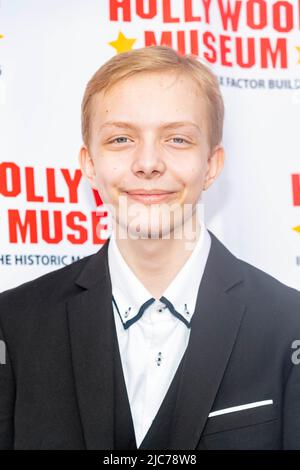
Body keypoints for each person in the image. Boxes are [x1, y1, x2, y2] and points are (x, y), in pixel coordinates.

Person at [0, 45, 299, 450]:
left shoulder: (289, 325)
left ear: (211, 165)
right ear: (90, 164)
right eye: (121, 139)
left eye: (177, 139)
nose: (147, 162)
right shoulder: (13, 324)